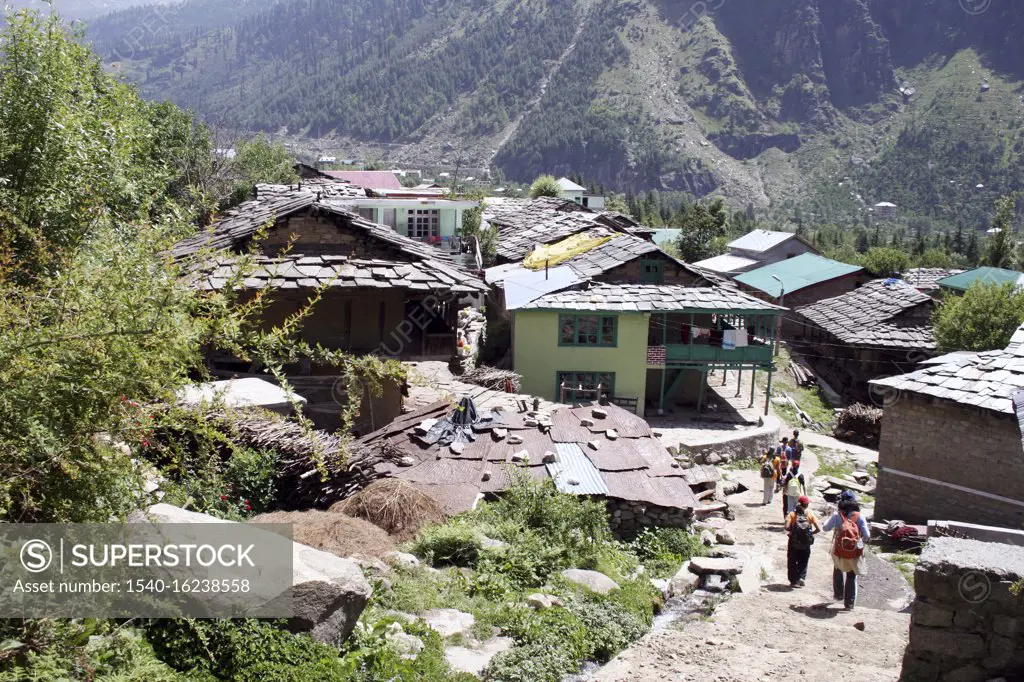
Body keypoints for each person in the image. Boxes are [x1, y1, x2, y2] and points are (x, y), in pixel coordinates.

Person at [822, 491, 871, 610]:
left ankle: (838, 595)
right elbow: (867, 536)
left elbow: (825, 528)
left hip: (839, 550)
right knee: (852, 575)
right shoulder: (860, 517)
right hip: (854, 552)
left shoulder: (837, 516)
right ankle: (849, 604)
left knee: (838, 569)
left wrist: (830, 516)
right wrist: (859, 543)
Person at [785, 495, 821, 587]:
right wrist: (810, 534)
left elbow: (787, 527)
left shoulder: (792, 514)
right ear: (807, 504)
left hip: (793, 541)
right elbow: (818, 529)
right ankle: (801, 577)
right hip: (806, 542)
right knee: (804, 560)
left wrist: (793, 530)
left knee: (792, 561)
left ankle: (794, 581)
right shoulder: (810, 515)